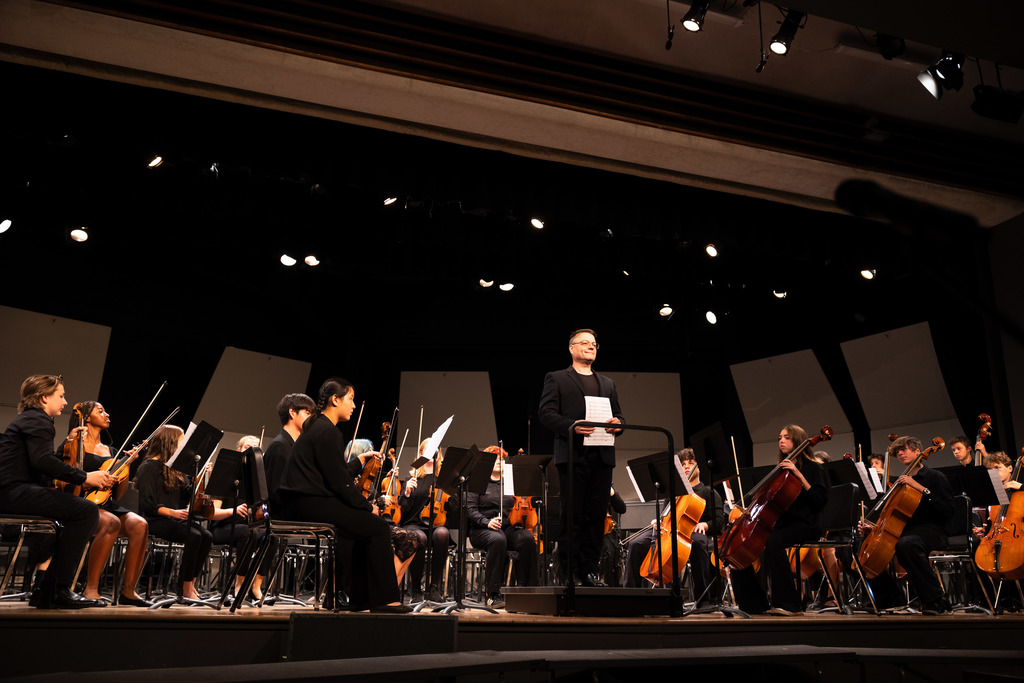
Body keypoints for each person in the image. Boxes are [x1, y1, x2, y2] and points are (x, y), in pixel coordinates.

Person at [277, 377, 410, 613]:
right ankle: (385, 600)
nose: (354, 405)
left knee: (362, 530)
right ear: (335, 400)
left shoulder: (318, 427)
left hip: (302, 502)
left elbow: (332, 473)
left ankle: (361, 600)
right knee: (377, 527)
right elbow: (340, 484)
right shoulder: (327, 431)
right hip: (308, 504)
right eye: (350, 399)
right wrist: (368, 507)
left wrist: (358, 462)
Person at [0, 375, 115, 608]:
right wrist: (85, 478)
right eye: (60, 396)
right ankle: (58, 589)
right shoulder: (39, 420)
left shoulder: (32, 419)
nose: (64, 403)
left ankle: (48, 590)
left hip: (16, 490)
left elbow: (39, 462)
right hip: (13, 491)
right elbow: (43, 462)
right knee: (85, 511)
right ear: (44, 398)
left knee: (77, 511)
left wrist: (66, 441)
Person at [539, 328, 623, 587]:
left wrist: (618, 423)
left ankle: (588, 571)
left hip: (602, 456)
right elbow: (546, 413)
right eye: (585, 343)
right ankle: (568, 573)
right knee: (572, 516)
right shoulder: (557, 378)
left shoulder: (608, 383)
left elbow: (620, 416)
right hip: (574, 456)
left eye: (594, 344)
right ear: (572, 348)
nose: (591, 347)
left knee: (596, 517)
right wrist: (571, 426)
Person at [729, 425, 828, 616]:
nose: (781, 441)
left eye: (787, 437)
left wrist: (798, 475)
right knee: (745, 541)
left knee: (774, 541)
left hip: (806, 524)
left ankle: (790, 604)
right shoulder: (780, 469)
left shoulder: (813, 468)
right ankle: (753, 603)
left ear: (798, 441)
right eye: (780, 437)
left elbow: (819, 500)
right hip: (782, 524)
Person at [863, 435, 955, 614]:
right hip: (906, 531)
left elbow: (947, 510)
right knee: (864, 549)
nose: (899, 454)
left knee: (906, 545)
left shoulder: (935, 477)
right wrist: (874, 528)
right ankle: (891, 598)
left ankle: (936, 600)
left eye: (903, 449)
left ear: (918, 451)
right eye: (897, 452)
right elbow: (894, 514)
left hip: (932, 530)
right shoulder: (900, 481)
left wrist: (920, 488)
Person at [70, 401, 151, 606]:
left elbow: (118, 495)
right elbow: (65, 476)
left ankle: (129, 592)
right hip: (80, 501)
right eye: (101, 411)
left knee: (140, 524)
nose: (107, 414)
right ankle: (91, 589)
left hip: (106, 503)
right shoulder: (73, 443)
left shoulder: (112, 451)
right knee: (111, 522)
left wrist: (127, 466)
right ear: (86, 417)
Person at [622, 449, 724, 607]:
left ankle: (703, 599)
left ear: (699, 467)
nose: (687, 467)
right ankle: (630, 597)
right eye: (683, 464)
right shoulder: (674, 493)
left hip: (692, 531)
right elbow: (666, 515)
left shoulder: (708, 492)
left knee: (697, 544)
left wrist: (704, 524)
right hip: (667, 530)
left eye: (691, 463)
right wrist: (659, 520)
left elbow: (718, 521)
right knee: (635, 544)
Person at [134, 425, 215, 601]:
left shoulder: (176, 470)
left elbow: (188, 495)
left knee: (207, 535)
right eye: (181, 441)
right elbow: (148, 504)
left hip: (174, 519)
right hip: (156, 520)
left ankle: (191, 584)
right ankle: (183, 587)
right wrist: (172, 512)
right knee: (194, 536)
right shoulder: (149, 467)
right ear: (169, 442)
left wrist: (200, 476)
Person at [465, 446, 540, 608]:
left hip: (507, 526)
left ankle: (528, 590)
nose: (498, 461)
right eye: (494, 458)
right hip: (481, 529)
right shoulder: (477, 481)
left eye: (501, 458)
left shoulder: (510, 482)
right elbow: (470, 510)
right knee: (497, 540)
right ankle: (493, 593)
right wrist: (487, 522)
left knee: (527, 539)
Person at [399, 439, 453, 602]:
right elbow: (403, 509)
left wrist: (451, 493)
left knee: (442, 533)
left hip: (436, 524)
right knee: (419, 538)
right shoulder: (412, 477)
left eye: (435, 450)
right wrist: (407, 493)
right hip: (414, 524)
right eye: (427, 450)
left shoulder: (443, 478)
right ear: (421, 454)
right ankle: (416, 589)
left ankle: (434, 588)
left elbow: (454, 508)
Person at [263, 393, 316, 511]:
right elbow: (275, 493)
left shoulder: (293, 446)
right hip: (282, 515)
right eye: (307, 413)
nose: (312, 418)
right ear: (292, 413)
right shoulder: (280, 445)